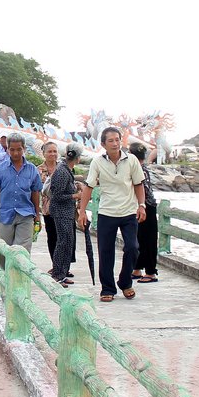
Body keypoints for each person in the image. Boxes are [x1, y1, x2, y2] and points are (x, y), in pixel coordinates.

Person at [77, 127, 146, 302]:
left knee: (133, 247)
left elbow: (138, 184)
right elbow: (89, 186)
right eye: (111, 141)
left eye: (117, 140)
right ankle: (107, 288)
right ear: (103, 144)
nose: (115, 143)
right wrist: (82, 211)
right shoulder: (97, 162)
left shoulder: (131, 160)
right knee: (105, 252)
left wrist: (142, 205)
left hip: (129, 212)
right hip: (107, 212)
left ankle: (125, 282)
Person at [0, 133, 42, 269]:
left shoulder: (32, 170)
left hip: (26, 214)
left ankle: (19, 282)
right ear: (7, 149)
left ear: (24, 148)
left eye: (19, 149)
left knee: (22, 252)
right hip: (6, 214)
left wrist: (37, 215)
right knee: (4, 250)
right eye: (12, 149)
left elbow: (36, 193)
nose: (15, 153)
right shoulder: (1, 169)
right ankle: (5, 279)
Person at [48, 144, 83, 287]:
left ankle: (63, 273)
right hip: (61, 212)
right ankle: (57, 274)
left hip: (66, 212)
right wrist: (76, 195)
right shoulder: (62, 171)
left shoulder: (65, 170)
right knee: (63, 243)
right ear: (78, 158)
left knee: (68, 243)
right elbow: (57, 196)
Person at [130, 142, 159, 283]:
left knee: (148, 240)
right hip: (139, 207)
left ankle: (151, 272)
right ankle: (137, 268)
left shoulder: (140, 170)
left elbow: (144, 192)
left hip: (146, 207)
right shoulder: (140, 168)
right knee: (138, 238)